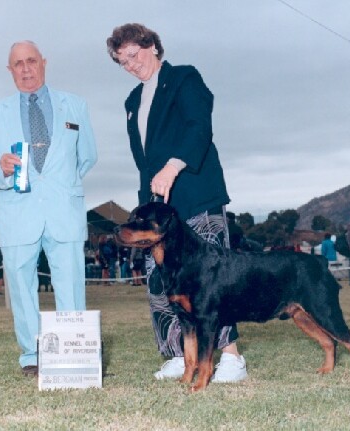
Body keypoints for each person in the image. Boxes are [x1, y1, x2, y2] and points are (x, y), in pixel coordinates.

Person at [106, 23, 247, 383]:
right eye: (122, 62)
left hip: (196, 193)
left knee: (214, 282)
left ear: (151, 45)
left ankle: (230, 358)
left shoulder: (185, 78)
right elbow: (144, 159)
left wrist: (173, 166)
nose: (130, 65)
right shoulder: (131, 101)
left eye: (134, 55)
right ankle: (176, 354)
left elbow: (199, 127)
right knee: (160, 282)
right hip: (156, 206)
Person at [0, 41, 98, 376]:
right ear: (9, 70)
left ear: (44, 63)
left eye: (32, 61)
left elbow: (86, 158)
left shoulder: (75, 105)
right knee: (21, 287)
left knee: (71, 283)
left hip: (65, 214)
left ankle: (74, 355)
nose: (26, 69)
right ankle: (32, 355)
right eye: (18, 64)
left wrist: (59, 186)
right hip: (17, 214)